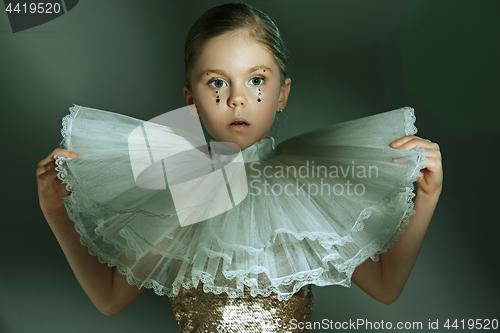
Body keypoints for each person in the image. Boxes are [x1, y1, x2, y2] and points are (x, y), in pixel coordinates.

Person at [36, 3, 442, 332]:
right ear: (190, 100)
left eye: (256, 80)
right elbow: (109, 300)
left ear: (282, 93)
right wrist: (56, 213)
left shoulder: (306, 187)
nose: (236, 99)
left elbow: (386, 287)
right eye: (217, 82)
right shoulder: (184, 189)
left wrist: (427, 196)